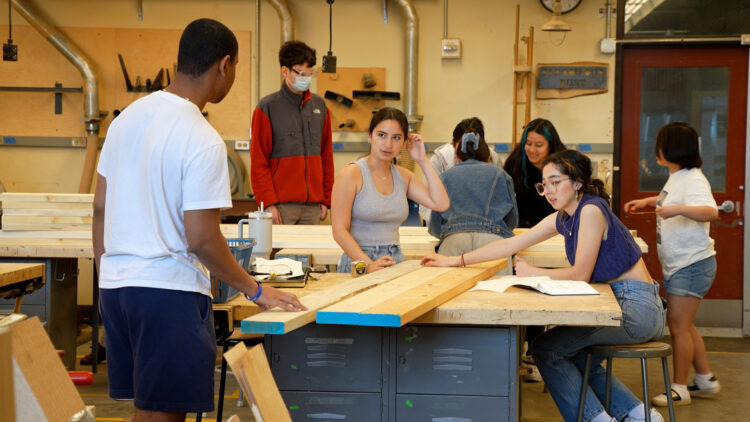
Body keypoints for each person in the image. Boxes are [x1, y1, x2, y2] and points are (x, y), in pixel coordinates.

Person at [93, 19, 306, 422]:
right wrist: (256, 290)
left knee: (149, 411)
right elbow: (202, 239)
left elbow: (100, 209)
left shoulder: (124, 121)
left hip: (117, 288)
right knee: (164, 416)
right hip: (166, 293)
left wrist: (110, 276)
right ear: (225, 65)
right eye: (237, 67)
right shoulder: (202, 137)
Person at [423, 150, 666, 422]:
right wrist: (455, 260)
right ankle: (641, 416)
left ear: (577, 182)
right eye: (544, 185)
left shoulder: (590, 210)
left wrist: (534, 272)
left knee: (546, 349)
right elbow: (510, 244)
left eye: (555, 182)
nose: (548, 191)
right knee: (576, 355)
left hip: (636, 308)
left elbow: (580, 274)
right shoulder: (564, 216)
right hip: (623, 304)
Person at [624, 122, 720, 408]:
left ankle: (679, 388)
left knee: (677, 326)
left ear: (675, 148)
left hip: (691, 265)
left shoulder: (693, 179)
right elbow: (671, 200)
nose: (657, 150)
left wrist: (677, 210)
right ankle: (705, 379)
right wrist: (647, 202)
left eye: (661, 144)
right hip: (682, 264)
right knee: (685, 325)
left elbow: (710, 211)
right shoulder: (677, 176)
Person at [331, 107, 450, 274]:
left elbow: (441, 203)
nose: (388, 144)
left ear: (404, 142)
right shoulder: (351, 174)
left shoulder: (404, 177)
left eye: (396, 138)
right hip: (359, 262)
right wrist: (367, 264)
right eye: (381, 135)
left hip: (394, 259)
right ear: (369, 136)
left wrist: (423, 160)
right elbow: (339, 230)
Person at [250, 40, 334, 225]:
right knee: (279, 254)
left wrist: (326, 199)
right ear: (285, 71)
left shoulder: (320, 107)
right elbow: (258, 161)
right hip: (280, 207)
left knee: (308, 254)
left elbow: (326, 156)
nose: (307, 77)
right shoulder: (267, 108)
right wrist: (268, 204)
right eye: (301, 73)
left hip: (313, 206)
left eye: (310, 73)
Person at [428, 121, 517, 255]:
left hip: (453, 242)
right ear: (488, 158)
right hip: (493, 242)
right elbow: (512, 219)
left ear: (457, 157)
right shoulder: (501, 175)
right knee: (498, 277)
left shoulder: (444, 178)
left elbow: (435, 225)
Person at [418, 117, 504, 223]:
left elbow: (501, 201)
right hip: (447, 225)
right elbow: (426, 206)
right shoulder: (440, 160)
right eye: (461, 148)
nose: (467, 153)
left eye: (472, 147)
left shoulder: (493, 159)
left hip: (484, 225)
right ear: (453, 145)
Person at [503, 118, 566, 228]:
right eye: (528, 143)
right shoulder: (513, 164)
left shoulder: (564, 166)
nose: (532, 150)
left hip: (554, 229)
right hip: (520, 229)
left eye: (539, 145)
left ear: (550, 146)